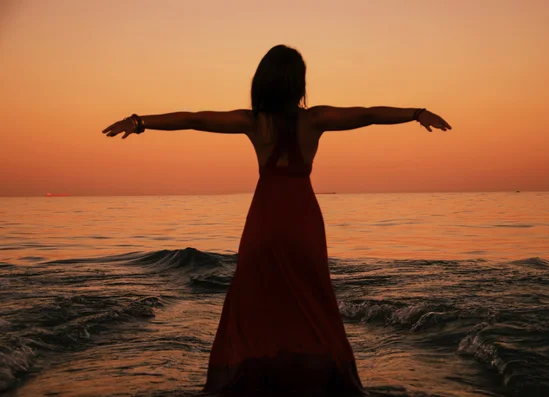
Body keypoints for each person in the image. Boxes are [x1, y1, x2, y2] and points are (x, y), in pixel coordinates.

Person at [102, 44, 451, 396]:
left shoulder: (255, 122)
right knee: (313, 295)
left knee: (254, 296)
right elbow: (367, 114)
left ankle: (257, 372)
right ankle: (317, 375)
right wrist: (416, 113)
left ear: (263, 82)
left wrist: (139, 122)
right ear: (299, 85)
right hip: (303, 222)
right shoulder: (315, 120)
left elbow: (195, 119)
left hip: (264, 221)